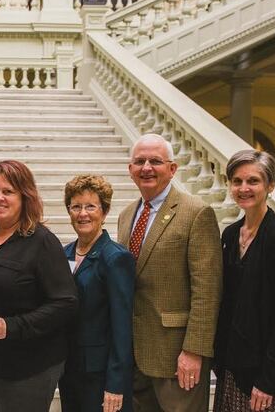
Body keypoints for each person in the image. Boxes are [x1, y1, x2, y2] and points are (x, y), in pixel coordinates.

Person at [0, 160, 78, 412]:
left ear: (25, 196)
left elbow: (65, 303)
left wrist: (10, 326)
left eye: (8, 191)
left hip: (26, 369)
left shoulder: (42, 241)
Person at [116, 133, 222, 412]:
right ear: (130, 170)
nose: (146, 168)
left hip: (177, 356)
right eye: (139, 161)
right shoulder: (126, 215)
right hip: (136, 352)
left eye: (155, 161)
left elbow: (207, 291)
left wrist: (194, 351)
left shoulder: (196, 213)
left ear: (172, 169)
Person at [213, 150, 275, 412]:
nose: (243, 188)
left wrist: (267, 380)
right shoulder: (229, 235)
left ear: (270, 185)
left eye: (253, 181)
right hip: (232, 366)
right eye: (236, 181)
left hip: (265, 375)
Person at [59, 175, 135, 412]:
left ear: (105, 211)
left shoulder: (115, 258)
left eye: (91, 206)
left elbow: (122, 327)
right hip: (69, 369)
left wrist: (116, 383)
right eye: (76, 207)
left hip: (100, 375)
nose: (83, 214)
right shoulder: (64, 253)